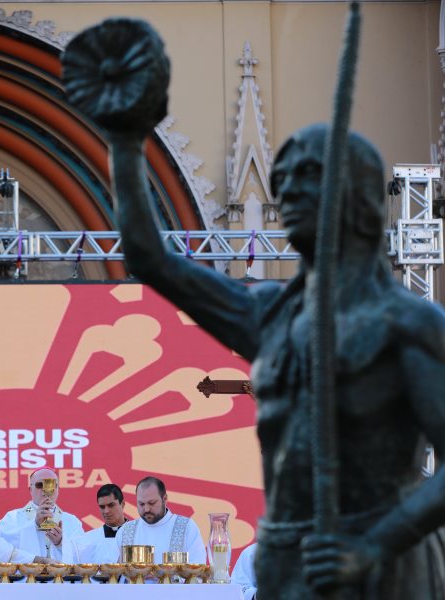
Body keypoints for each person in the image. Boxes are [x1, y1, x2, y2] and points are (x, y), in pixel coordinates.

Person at [61, 18, 445, 597]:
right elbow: (148, 254)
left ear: (357, 195)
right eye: (282, 178)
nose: (287, 192)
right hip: (289, 557)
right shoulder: (271, 315)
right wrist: (124, 136)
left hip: (379, 562)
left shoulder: (408, 324)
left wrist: (375, 544)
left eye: (307, 178)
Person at [0, 467, 85, 562]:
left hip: (60, 576)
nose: (46, 489)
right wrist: (34, 525)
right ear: (30, 490)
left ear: (58, 489)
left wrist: (61, 543)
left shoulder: (72, 521)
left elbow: (82, 555)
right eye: (40, 485)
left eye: (51, 484)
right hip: (27, 576)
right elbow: (4, 551)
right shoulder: (12, 518)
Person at [116, 477, 205, 566]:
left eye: (152, 503)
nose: (146, 509)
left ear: (165, 499)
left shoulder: (186, 528)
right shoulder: (125, 531)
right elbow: (113, 574)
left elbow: (198, 571)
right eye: (141, 504)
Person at [73, 483, 128, 563]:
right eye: (102, 507)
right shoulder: (88, 539)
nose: (106, 511)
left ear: (122, 504)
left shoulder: (138, 534)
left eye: (111, 505)